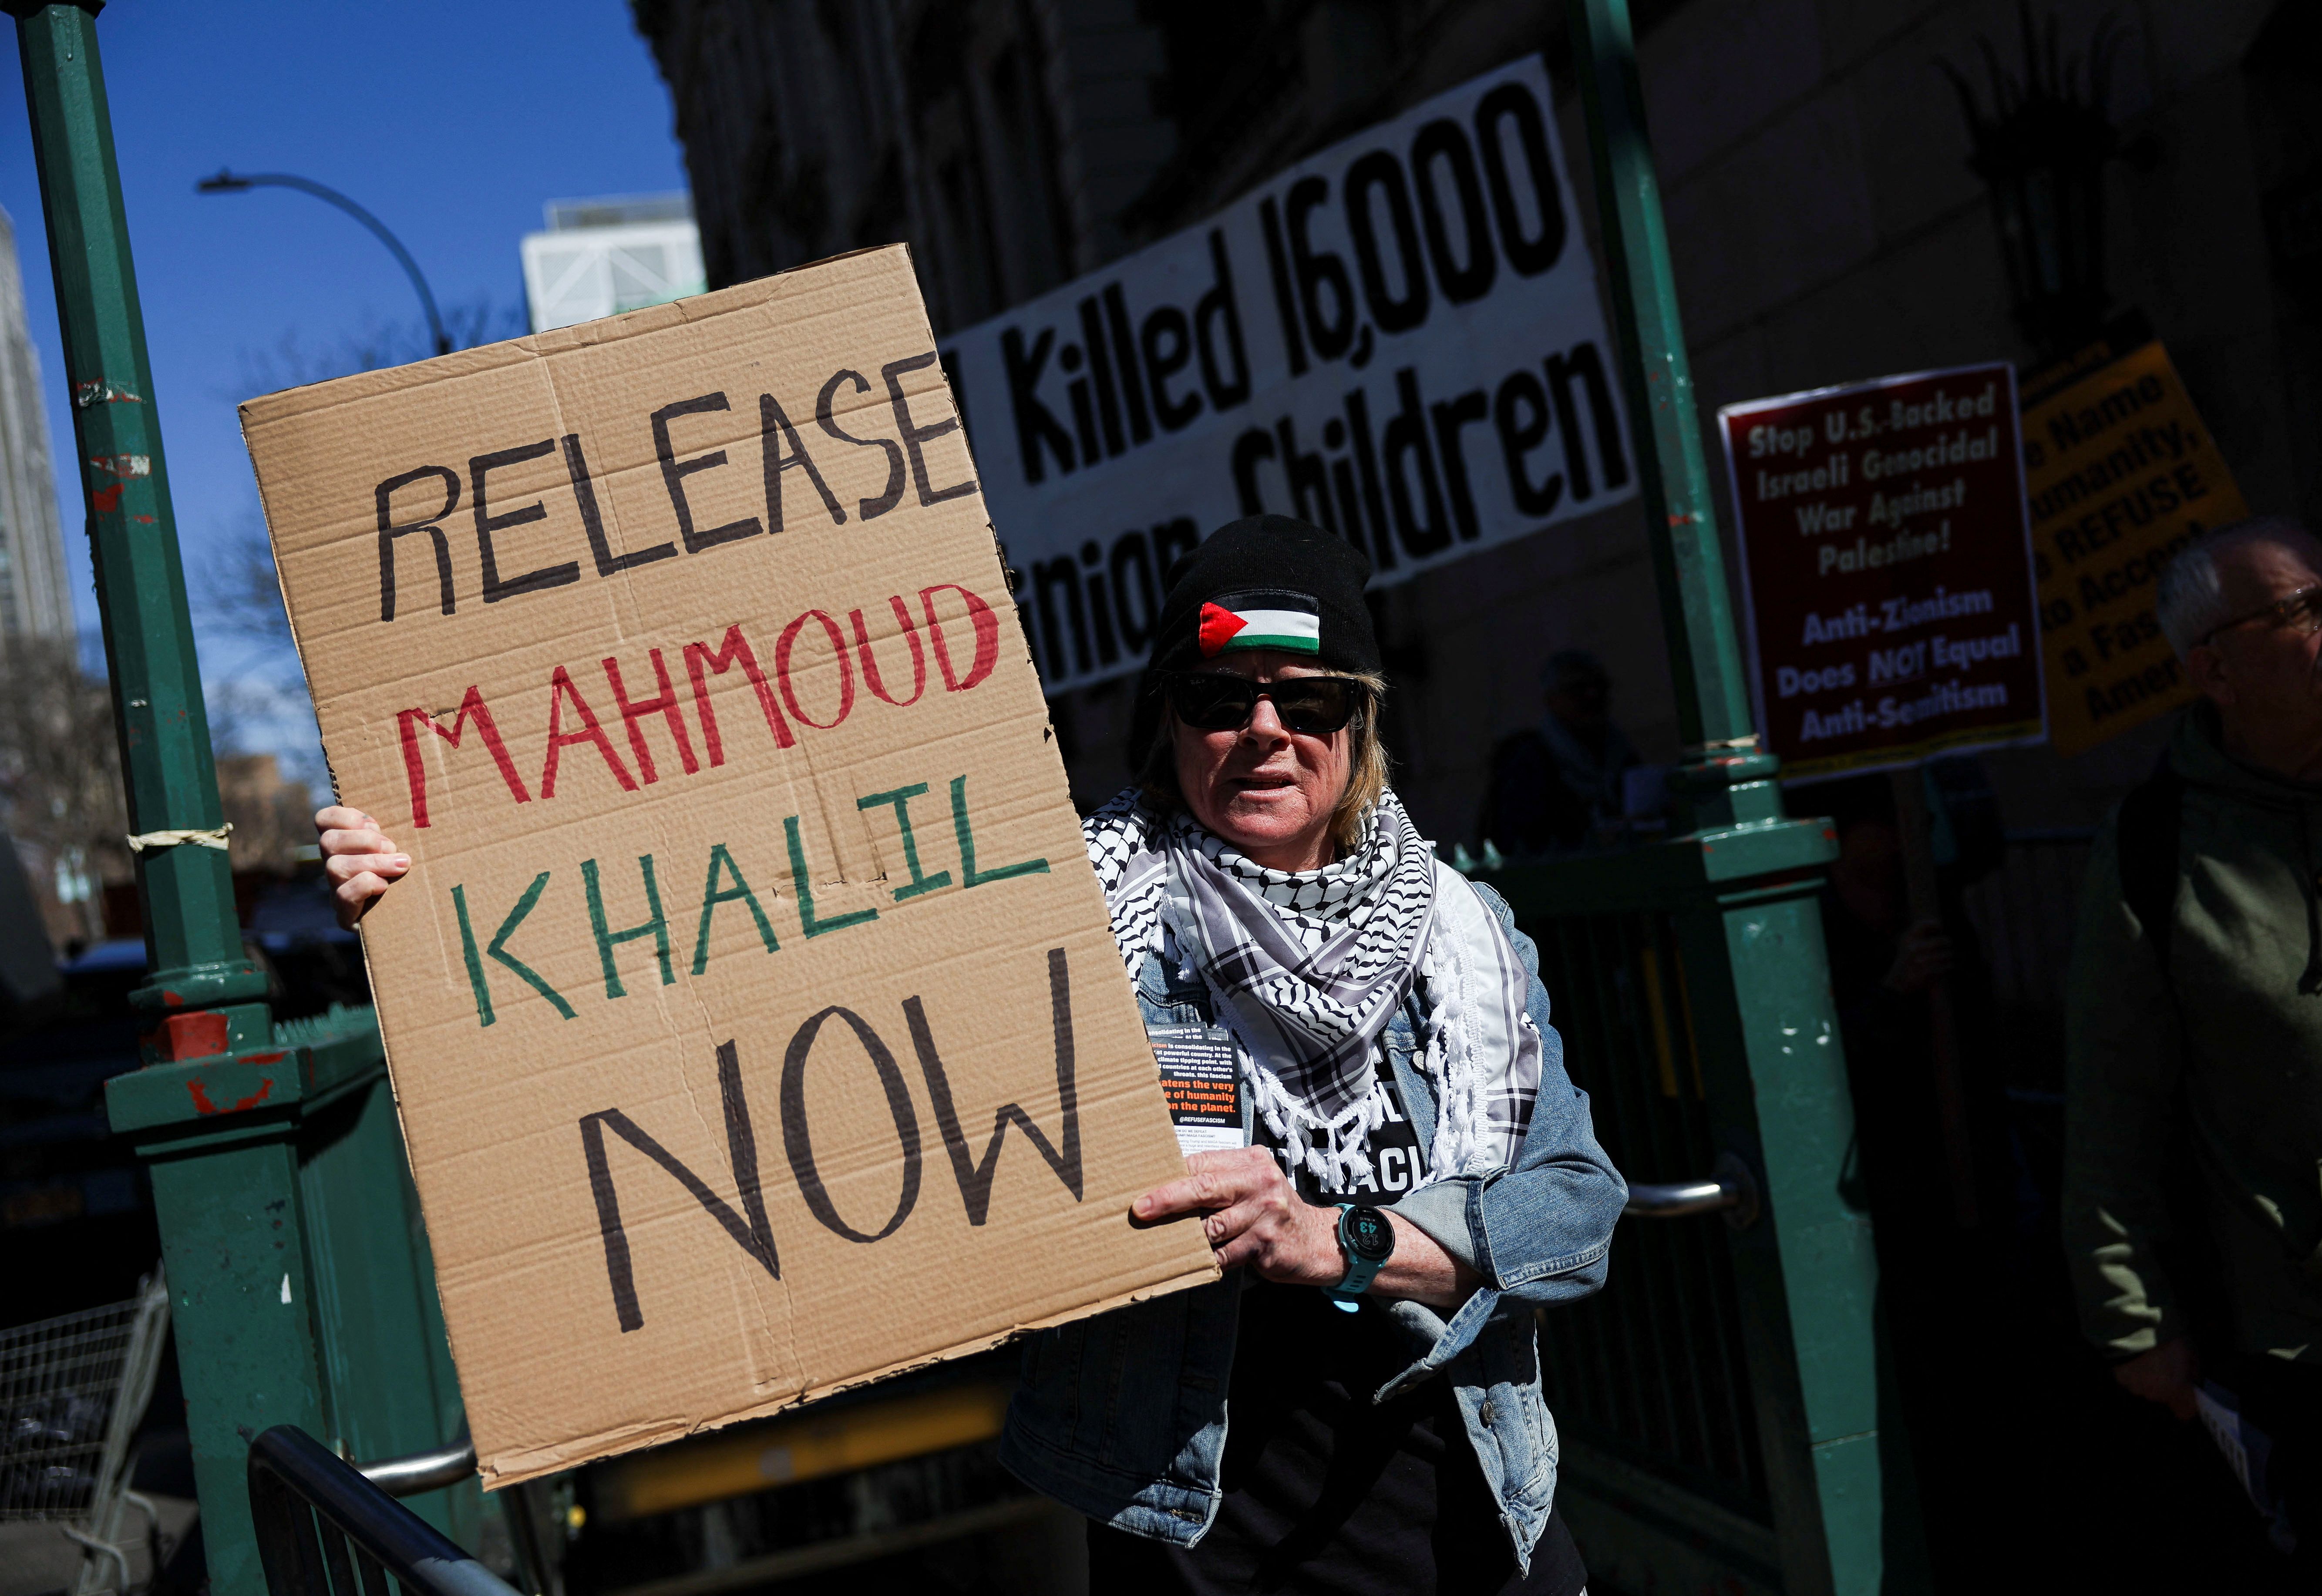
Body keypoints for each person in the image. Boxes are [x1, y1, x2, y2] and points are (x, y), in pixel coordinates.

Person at [316, 514, 1625, 1594]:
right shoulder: (1060, 918)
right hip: (1207, 1551)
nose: (1266, 730)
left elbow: (1577, 1208)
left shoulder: (1473, 941)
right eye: (1221, 699)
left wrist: (1338, 1236)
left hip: (1482, 1531)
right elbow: (731, 972)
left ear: (1360, 727)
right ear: (1166, 726)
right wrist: (443, 906)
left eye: (1311, 699)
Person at [2063, 515, 2322, 1593]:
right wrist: (2133, 1318)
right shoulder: (2157, 848)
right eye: (2300, 610)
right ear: (2213, 667)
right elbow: (2113, 1101)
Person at [1478, 650, 1641, 856]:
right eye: (1577, 690)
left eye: (1600, 687)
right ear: (1553, 700)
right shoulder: (1530, 761)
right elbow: (1520, 840)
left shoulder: (1620, 752)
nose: (1592, 696)